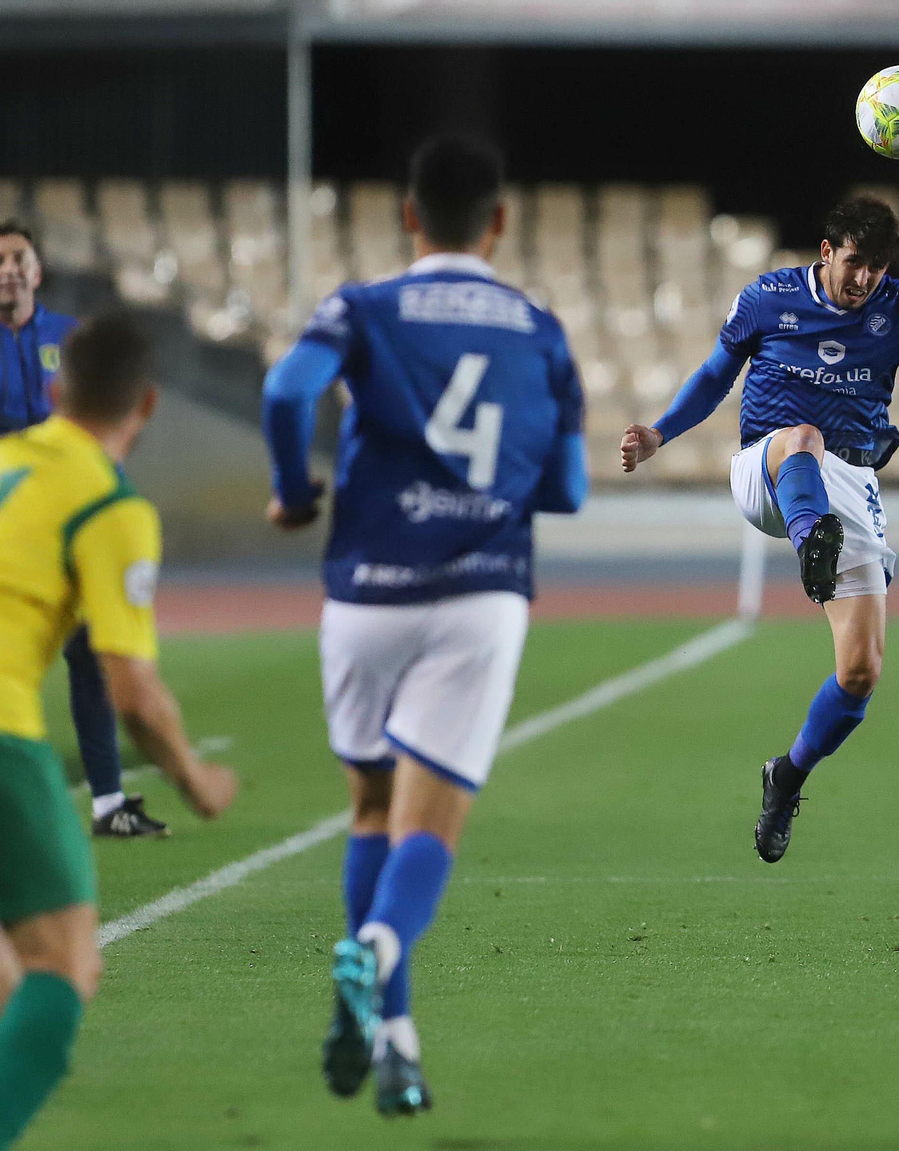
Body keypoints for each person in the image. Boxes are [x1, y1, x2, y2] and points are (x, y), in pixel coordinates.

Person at [262, 133, 588, 1118]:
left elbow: (285, 390)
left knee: (370, 811)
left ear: (409, 215)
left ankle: (397, 1042)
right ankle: (380, 953)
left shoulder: (361, 306)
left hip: (366, 585)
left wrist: (292, 491)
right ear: (497, 221)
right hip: (480, 589)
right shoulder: (539, 328)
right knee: (428, 826)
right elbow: (568, 490)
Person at [621, 197, 899, 863]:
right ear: (827, 252)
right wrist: (660, 431)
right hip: (769, 471)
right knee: (800, 435)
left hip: (850, 484)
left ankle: (787, 776)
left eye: (878, 267)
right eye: (854, 262)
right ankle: (812, 544)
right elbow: (718, 374)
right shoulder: (768, 298)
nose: (864, 279)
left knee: (860, 672)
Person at [0, 314, 238, 1151]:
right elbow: (133, 690)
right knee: (65, 965)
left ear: (51, 390)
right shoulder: (110, 503)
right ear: (147, 404)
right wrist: (194, 776)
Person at [0, 221, 165, 837]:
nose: (9, 269)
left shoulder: (71, 342)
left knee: (94, 660)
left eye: (20, 258)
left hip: (68, 531)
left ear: (38, 272)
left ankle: (108, 803)